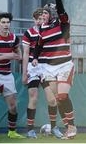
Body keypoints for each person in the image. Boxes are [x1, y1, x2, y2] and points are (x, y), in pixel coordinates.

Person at [32, 0, 77, 139]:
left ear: (52, 13)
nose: (43, 15)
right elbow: (39, 45)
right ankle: (68, 128)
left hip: (64, 65)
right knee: (58, 99)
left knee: (63, 96)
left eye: (45, 12)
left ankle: (71, 127)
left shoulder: (62, 23)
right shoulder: (43, 28)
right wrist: (35, 58)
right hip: (50, 68)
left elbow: (62, 11)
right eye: (42, 13)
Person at [22, 8, 63, 139]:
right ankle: (30, 130)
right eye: (38, 18)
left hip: (46, 67)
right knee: (33, 98)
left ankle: (54, 127)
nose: (40, 21)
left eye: (42, 18)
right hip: (33, 68)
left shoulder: (49, 31)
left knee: (52, 99)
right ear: (34, 20)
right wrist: (24, 73)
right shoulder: (28, 33)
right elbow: (26, 53)